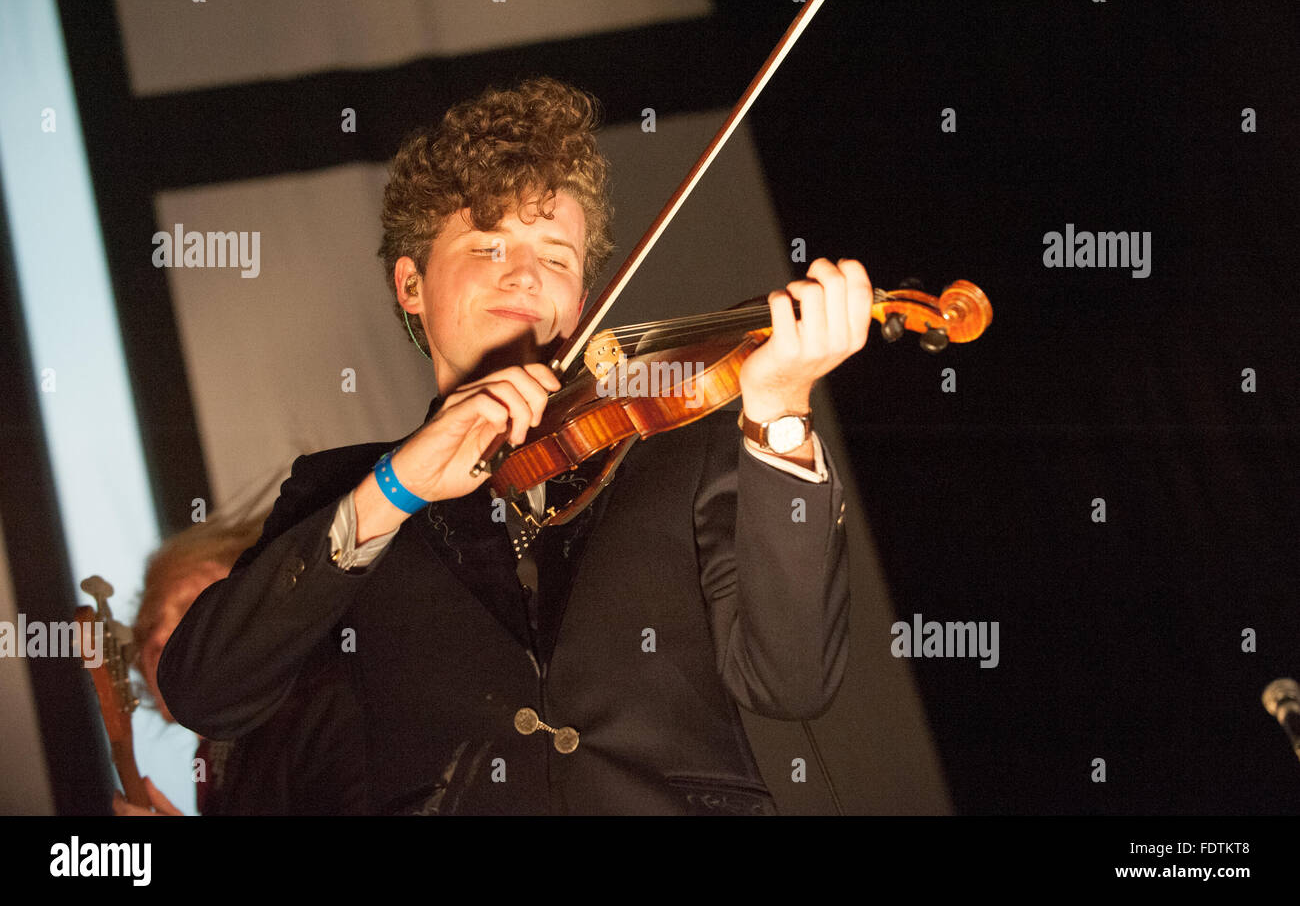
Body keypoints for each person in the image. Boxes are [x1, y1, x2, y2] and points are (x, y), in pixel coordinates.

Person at [159, 77, 868, 814]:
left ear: (584, 307)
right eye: (489, 244)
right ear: (410, 283)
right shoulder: (340, 490)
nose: (527, 274)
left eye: (558, 257)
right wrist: (393, 488)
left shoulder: (683, 447)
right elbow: (204, 690)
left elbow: (793, 680)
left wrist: (781, 407)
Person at [116, 492, 364, 815]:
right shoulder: (214, 773)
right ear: (164, 707)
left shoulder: (333, 691)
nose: (163, 636)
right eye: (153, 649)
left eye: (192, 609)